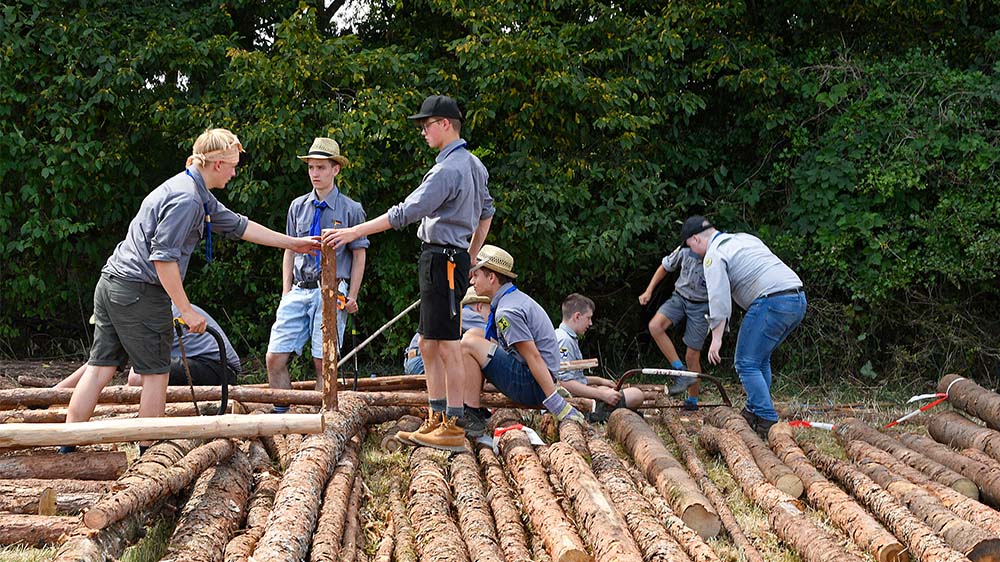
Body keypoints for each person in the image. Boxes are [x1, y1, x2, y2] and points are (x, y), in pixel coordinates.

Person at [62, 128, 320, 453]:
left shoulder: (192, 190)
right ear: (216, 165)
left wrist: (294, 243)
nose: (235, 172)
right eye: (233, 165)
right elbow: (163, 259)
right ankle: (148, 454)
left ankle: (66, 445)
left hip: (112, 282)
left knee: (101, 367)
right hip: (140, 291)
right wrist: (185, 309)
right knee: (156, 374)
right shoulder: (187, 199)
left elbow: (239, 225)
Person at [325, 95, 494, 451]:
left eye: (426, 124)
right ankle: (437, 416)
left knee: (447, 344)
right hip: (446, 259)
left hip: (443, 260)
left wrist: (356, 231)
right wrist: (472, 252)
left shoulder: (449, 170)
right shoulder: (474, 165)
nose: (422, 131)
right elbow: (487, 212)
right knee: (429, 342)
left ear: (445, 124)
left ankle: (453, 422)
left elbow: (406, 211)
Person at [266, 138, 368, 411]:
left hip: (333, 290)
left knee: (324, 360)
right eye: (311, 167)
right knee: (274, 358)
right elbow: (289, 248)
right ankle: (281, 417)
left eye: (321, 167)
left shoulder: (351, 209)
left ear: (336, 169)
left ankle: (322, 420)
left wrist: (352, 295)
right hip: (299, 289)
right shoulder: (297, 206)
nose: (315, 173)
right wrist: (286, 290)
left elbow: (359, 254)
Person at [681, 215, 807, 437]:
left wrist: (716, 338)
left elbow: (719, 299)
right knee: (759, 360)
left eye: (690, 246)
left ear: (696, 239)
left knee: (745, 363)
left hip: (773, 300)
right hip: (797, 299)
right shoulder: (744, 239)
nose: (692, 252)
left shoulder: (714, 255)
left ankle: (767, 419)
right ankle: (753, 410)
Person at [449, 245, 584, 450]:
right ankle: (474, 409)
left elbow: (533, 357)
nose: (472, 281)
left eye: (476, 275)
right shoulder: (511, 299)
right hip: (533, 377)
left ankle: (472, 414)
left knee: (468, 344)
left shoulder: (507, 312)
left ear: (492, 277)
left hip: (532, 384)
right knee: (473, 335)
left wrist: (556, 402)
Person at [57, 304, 241, 389]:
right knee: (140, 375)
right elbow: (98, 363)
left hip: (219, 368)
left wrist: (55, 393)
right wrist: (53, 394)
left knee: (137, 376)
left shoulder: (146, 317)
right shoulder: (144, 310)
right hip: (208, 365)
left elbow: (98, 366)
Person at [638, 244, 709, 411]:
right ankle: (679, 371)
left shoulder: (717, 254)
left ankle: (692, 401)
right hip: (680, 297)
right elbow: (665, 266)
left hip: (703, 305)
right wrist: (648, 291)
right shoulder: (684, 248)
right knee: (655, 326)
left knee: (692, 355)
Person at [555, 293, 644, 421]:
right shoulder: (565, 341)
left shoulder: (566, 337)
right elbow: (565, 383)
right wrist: (602, 394)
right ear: (577, 316)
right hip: (573, 401)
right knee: (636, 395)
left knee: (609, 389)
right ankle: (595, 415)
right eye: (588, 318)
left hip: (577, 395)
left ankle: (606, 411)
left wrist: (600, 381)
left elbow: (575, 377)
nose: (590, 323)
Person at [403, 286, 490, 375]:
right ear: (480, 307)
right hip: (422, 361)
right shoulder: (470, 315)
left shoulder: (458, 315)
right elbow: (492, 341)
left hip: (412, 359)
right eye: (490, 311)